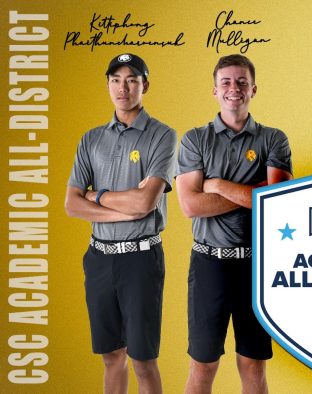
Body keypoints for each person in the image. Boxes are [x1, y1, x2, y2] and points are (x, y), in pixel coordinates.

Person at [176, 54, 293, 394]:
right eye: (226, 82)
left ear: (253, 89)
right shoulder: (195, 139)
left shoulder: (273, 139)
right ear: (215, 90)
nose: (233, 88)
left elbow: (280, 199)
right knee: (202, 366)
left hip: (256, 265)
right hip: (208, 263)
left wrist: (217, 185)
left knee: (253, 366)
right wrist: (256, 193)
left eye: (241, 82)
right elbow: (190, 205)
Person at [65, 53, 176, 394]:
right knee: (112, 356)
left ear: (145, 85)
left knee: (143, 360)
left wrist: (96, 196)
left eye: (131, 80)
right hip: (99, 258)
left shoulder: (162, 136)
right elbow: (71, 203)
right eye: (115, 80)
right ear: (108, 84)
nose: (122, 88)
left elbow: (145, 203)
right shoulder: (91, 139)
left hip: (139, 260)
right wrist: (122, 206)